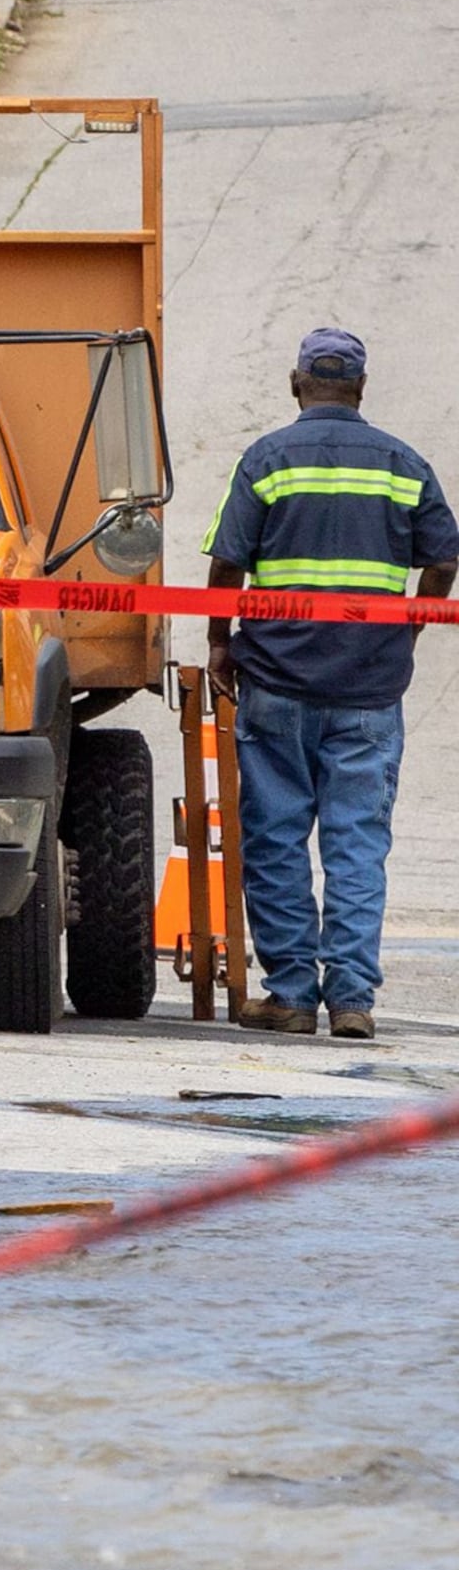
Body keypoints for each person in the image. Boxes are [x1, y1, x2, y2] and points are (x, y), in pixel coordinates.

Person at [204, 325, 457, 1038]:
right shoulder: (403, 464)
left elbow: (227, 564)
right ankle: (352, 998)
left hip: (278, 684)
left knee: (276, 836)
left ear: (296, 385)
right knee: (357, 844)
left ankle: (289, 994)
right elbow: (444, 558)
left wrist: (220, 643)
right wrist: (409, 623)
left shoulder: (268, 458)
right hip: (369, 688)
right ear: (362, 389)